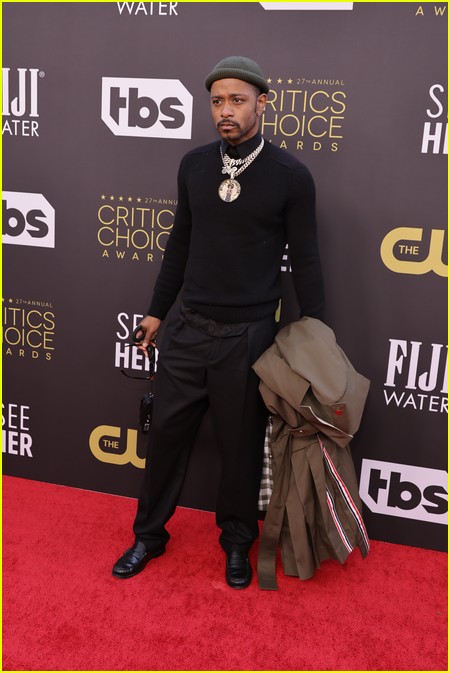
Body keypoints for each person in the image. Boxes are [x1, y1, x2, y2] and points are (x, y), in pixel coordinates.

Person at [112, 55, 325, 589]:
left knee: (240, 450)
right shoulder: (194, 165)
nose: (225, 111)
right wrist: (157, 314)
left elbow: (307, 261)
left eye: (237, 100)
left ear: (262, 103)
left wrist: (318, 337)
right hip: (188, 329)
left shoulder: (290, 177)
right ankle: (148, 537)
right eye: (216, 101)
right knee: (164, 439)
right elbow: (178, 244)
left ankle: (235, 544)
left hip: (249, 337)